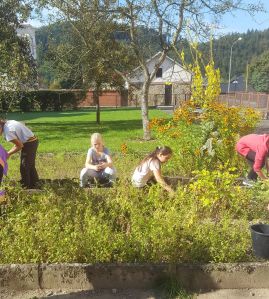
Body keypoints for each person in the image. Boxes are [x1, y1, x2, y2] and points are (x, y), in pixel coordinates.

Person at [0, 119, 39, 189]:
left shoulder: (8, 132)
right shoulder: (8, 123)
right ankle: (36, 184)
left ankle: (26, 187)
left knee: (24, 167)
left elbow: (20, 146)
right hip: (32, 141)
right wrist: (7, 153)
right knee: (30, 166)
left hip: (29, 143)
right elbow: (18, 143)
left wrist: (8, 154)